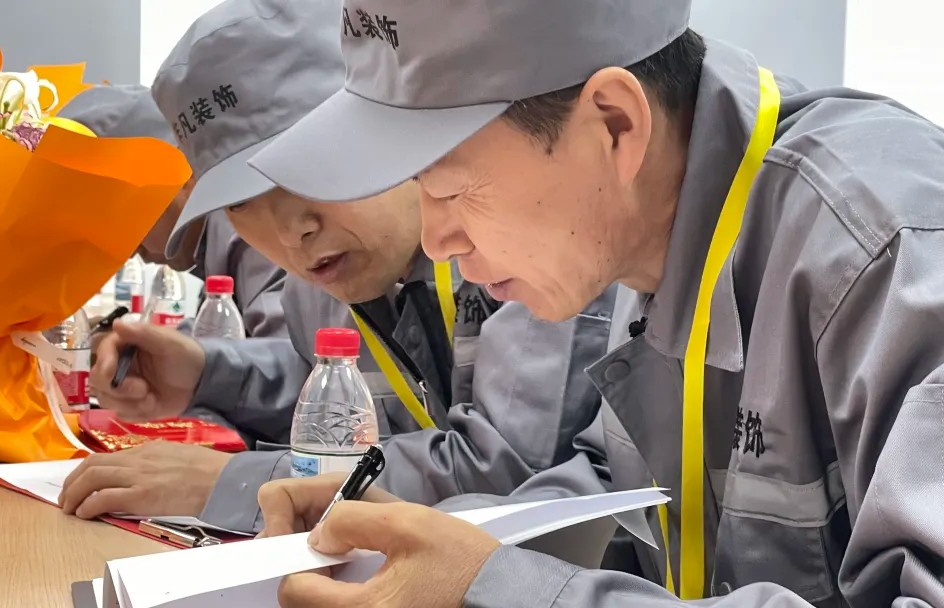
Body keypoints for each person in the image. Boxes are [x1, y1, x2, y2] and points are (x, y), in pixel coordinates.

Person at [245, 0, 944, 606]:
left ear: (614, 124)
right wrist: (426, 535)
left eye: (450, 188)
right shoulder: (647, 235)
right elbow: (621, 482)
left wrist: (499, 589)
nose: (436, 241)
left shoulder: (883, 248)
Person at [58, 0, 615, 536]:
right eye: (241, 202)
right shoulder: (319, 286)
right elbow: (340, 402)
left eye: (309, 162)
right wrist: (208, 373)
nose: (289, 232)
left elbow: (508, 468)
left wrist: (240, 484)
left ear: (387, 117)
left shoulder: (522, 242)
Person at [58, 84, 287, 339]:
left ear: (183, 171)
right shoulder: (215, 247)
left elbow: (294, 353)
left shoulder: (249, 232)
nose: (128, 252)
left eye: (123, 222)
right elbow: (222, 339)